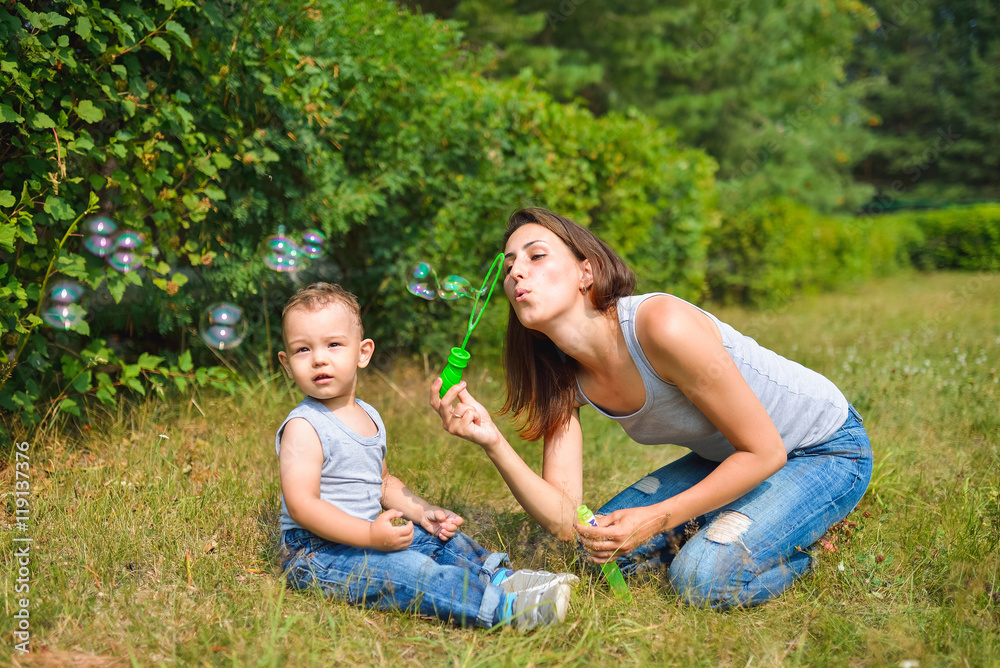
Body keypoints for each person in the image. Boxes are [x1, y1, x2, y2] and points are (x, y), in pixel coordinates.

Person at [430, 208, 873, 609]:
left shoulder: (661, 325)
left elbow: (766, 451)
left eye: (536, 255)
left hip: (823, 449)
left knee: (700, 580)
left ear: (586, 271)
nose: (515, 272)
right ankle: (745, 520)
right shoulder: (562, 377)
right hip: (728, 458)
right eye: (509, 265)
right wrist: (492, 440)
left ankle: (810, 534)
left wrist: (658, 518)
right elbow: (565, 519)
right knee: (596, 550)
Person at [275, 282, 577, 629]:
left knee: (437, 539)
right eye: (302, 349)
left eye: (333, 344)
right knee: (410, 571)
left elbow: (382, 482)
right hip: (317, 552)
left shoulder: (368, 415)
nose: (319, 358)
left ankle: (501, 578)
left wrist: (421, 511)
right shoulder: (304, 426)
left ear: (363, 352)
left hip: (365, 534)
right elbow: (302, 505)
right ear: (287, 363)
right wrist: (370, 537)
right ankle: (505, 608)